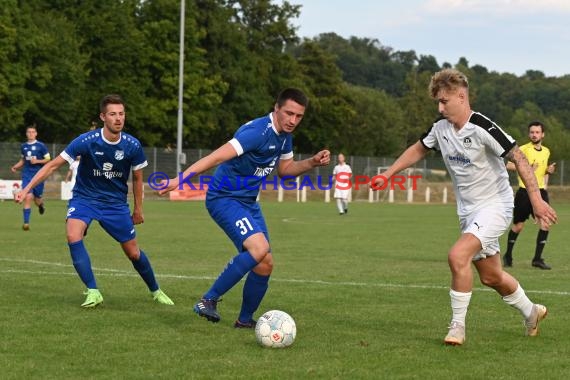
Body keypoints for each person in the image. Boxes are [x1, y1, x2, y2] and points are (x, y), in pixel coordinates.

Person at [374, 69, 557, 346]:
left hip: (496, 205)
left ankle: (457, 327)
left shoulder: (482, 127)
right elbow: (419, 148)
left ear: (461, 96)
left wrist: (536, 198)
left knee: (457, 256)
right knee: (491, 276)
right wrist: (388, 173)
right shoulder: (441, 128)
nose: (440, 107)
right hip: (468, 212)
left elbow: (518, 156)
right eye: (438, 101)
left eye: (444, 101)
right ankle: (531, 312)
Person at [159, 88, 330, 328]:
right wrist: (180, 179)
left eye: (299, 116)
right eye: (289, 113)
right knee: (259, 248)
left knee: (265, 261)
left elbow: (286, 170)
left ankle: (245, 320)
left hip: (249, 202)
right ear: (276, 108)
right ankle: (208, 300)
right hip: (224, 198)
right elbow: (216, 157)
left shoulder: (284, 136)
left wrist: (312, 162)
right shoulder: (257, 133)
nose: (293, 120)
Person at [15, 94, 174, 308]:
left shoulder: (132, 146)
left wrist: (138, 209)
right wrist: (26, 189)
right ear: (103, 117)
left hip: (115, 205)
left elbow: (137, 178)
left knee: (133, 253)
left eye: (121, 114)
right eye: (112, 114)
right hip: (85, 199)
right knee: (73, 235)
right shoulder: (86, 141)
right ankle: (93, 291)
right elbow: (53, 165)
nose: (118, 118)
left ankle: (156, 290)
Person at [503, 121, 556, 270]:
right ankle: (508, 255)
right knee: (518, 226)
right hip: (524, 192)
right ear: (529, 134)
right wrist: (526, 168)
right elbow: (509, 165)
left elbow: (542, 171)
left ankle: (537, 259)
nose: (534, 135)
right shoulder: (523, 149)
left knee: (546, 224)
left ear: (542, 134)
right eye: (532, 132)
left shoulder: (546, 151)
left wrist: (547, 171)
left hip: (540, 192)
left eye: (537, 132)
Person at [10, 124, 51, 231]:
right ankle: (26, 223)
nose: (31, 134)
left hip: (39, 175)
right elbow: (23, 160)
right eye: (29, 132)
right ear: (26, 133)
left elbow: (48, 159)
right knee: (28, 197)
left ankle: (41, 205)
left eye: (33, 132)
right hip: (27, 174)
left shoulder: (41, 146)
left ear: (36, 134)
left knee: (37, 199)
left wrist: (37, 161)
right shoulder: (23, 146)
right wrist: (16, 166)